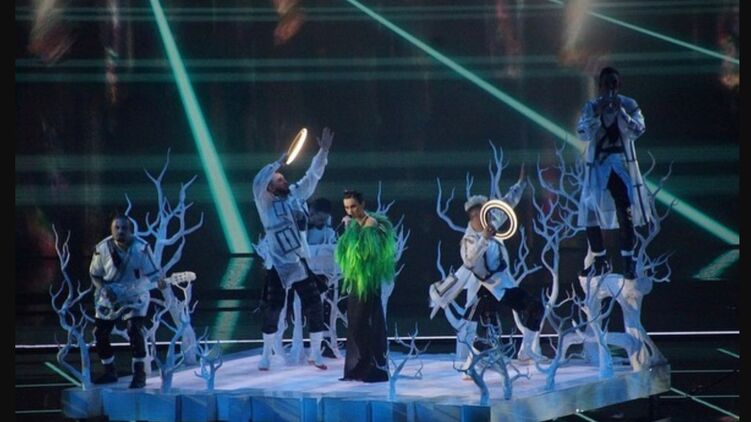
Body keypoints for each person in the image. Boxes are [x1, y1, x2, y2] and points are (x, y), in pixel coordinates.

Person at [252, 127, 334, 371]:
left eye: (283, 178)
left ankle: (316, 353)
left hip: (298, 263)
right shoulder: (264, 203)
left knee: (315, 305)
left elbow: (312, 177)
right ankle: (265, 355)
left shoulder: (295, 196)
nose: (284, 180)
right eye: (279, 179)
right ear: (269, 186)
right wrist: (278, 162)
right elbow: (258, 181)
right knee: (273, 309)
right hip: (278, 264)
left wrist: (323, 152)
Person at [459, 165, 544, 366]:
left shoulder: (493, 221)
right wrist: (484, 239)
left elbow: (508, 202)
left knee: (535, 308)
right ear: (472, 217)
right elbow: (469, 260)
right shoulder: (469, 239)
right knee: (485, 331)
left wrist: (521, 183)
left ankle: (525, 351)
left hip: (503, 285)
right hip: (484, 290)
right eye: (479, 214)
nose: (485, 218)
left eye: (485, 213)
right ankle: (470, 365)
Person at [576, 67, 652, 279]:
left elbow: (638, 130)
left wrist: (623, 114)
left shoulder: (629, 104)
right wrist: (597, 114)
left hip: (620, 163)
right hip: (598, 165)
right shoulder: (592, 106)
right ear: (600, 85)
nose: (610, 87)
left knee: (625, 212)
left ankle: (628, 262)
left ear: (619, 85)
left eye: (614, 83)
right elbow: (582, 133)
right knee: (590, 211)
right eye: (607, 83)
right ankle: (599, 261)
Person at [90, 215, 166, 388]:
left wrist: (160, 282)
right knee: (100, 333)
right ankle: (110, 371)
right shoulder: (102, 248)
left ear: (130, 230)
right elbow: (95, 275)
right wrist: (104, 289)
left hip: (135, 294)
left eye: (124, 228)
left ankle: (139, 374)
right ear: (111, 230)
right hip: (110, 296)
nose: (120, 231)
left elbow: (154, 274)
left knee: (134, 330)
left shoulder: (141, 248)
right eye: (116, 228)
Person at [335, 190, 396, 382]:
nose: (350, 211)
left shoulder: (371, 223)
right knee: (355, 323)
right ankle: (361, 365)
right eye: (346, 207)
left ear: (362, 204)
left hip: (368, 281)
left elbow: (364, 252)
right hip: (357, 280)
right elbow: (345, 253)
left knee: (365, 323)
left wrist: (350, 231)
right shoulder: (355, 224)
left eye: (353, 206)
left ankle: (371, 366)